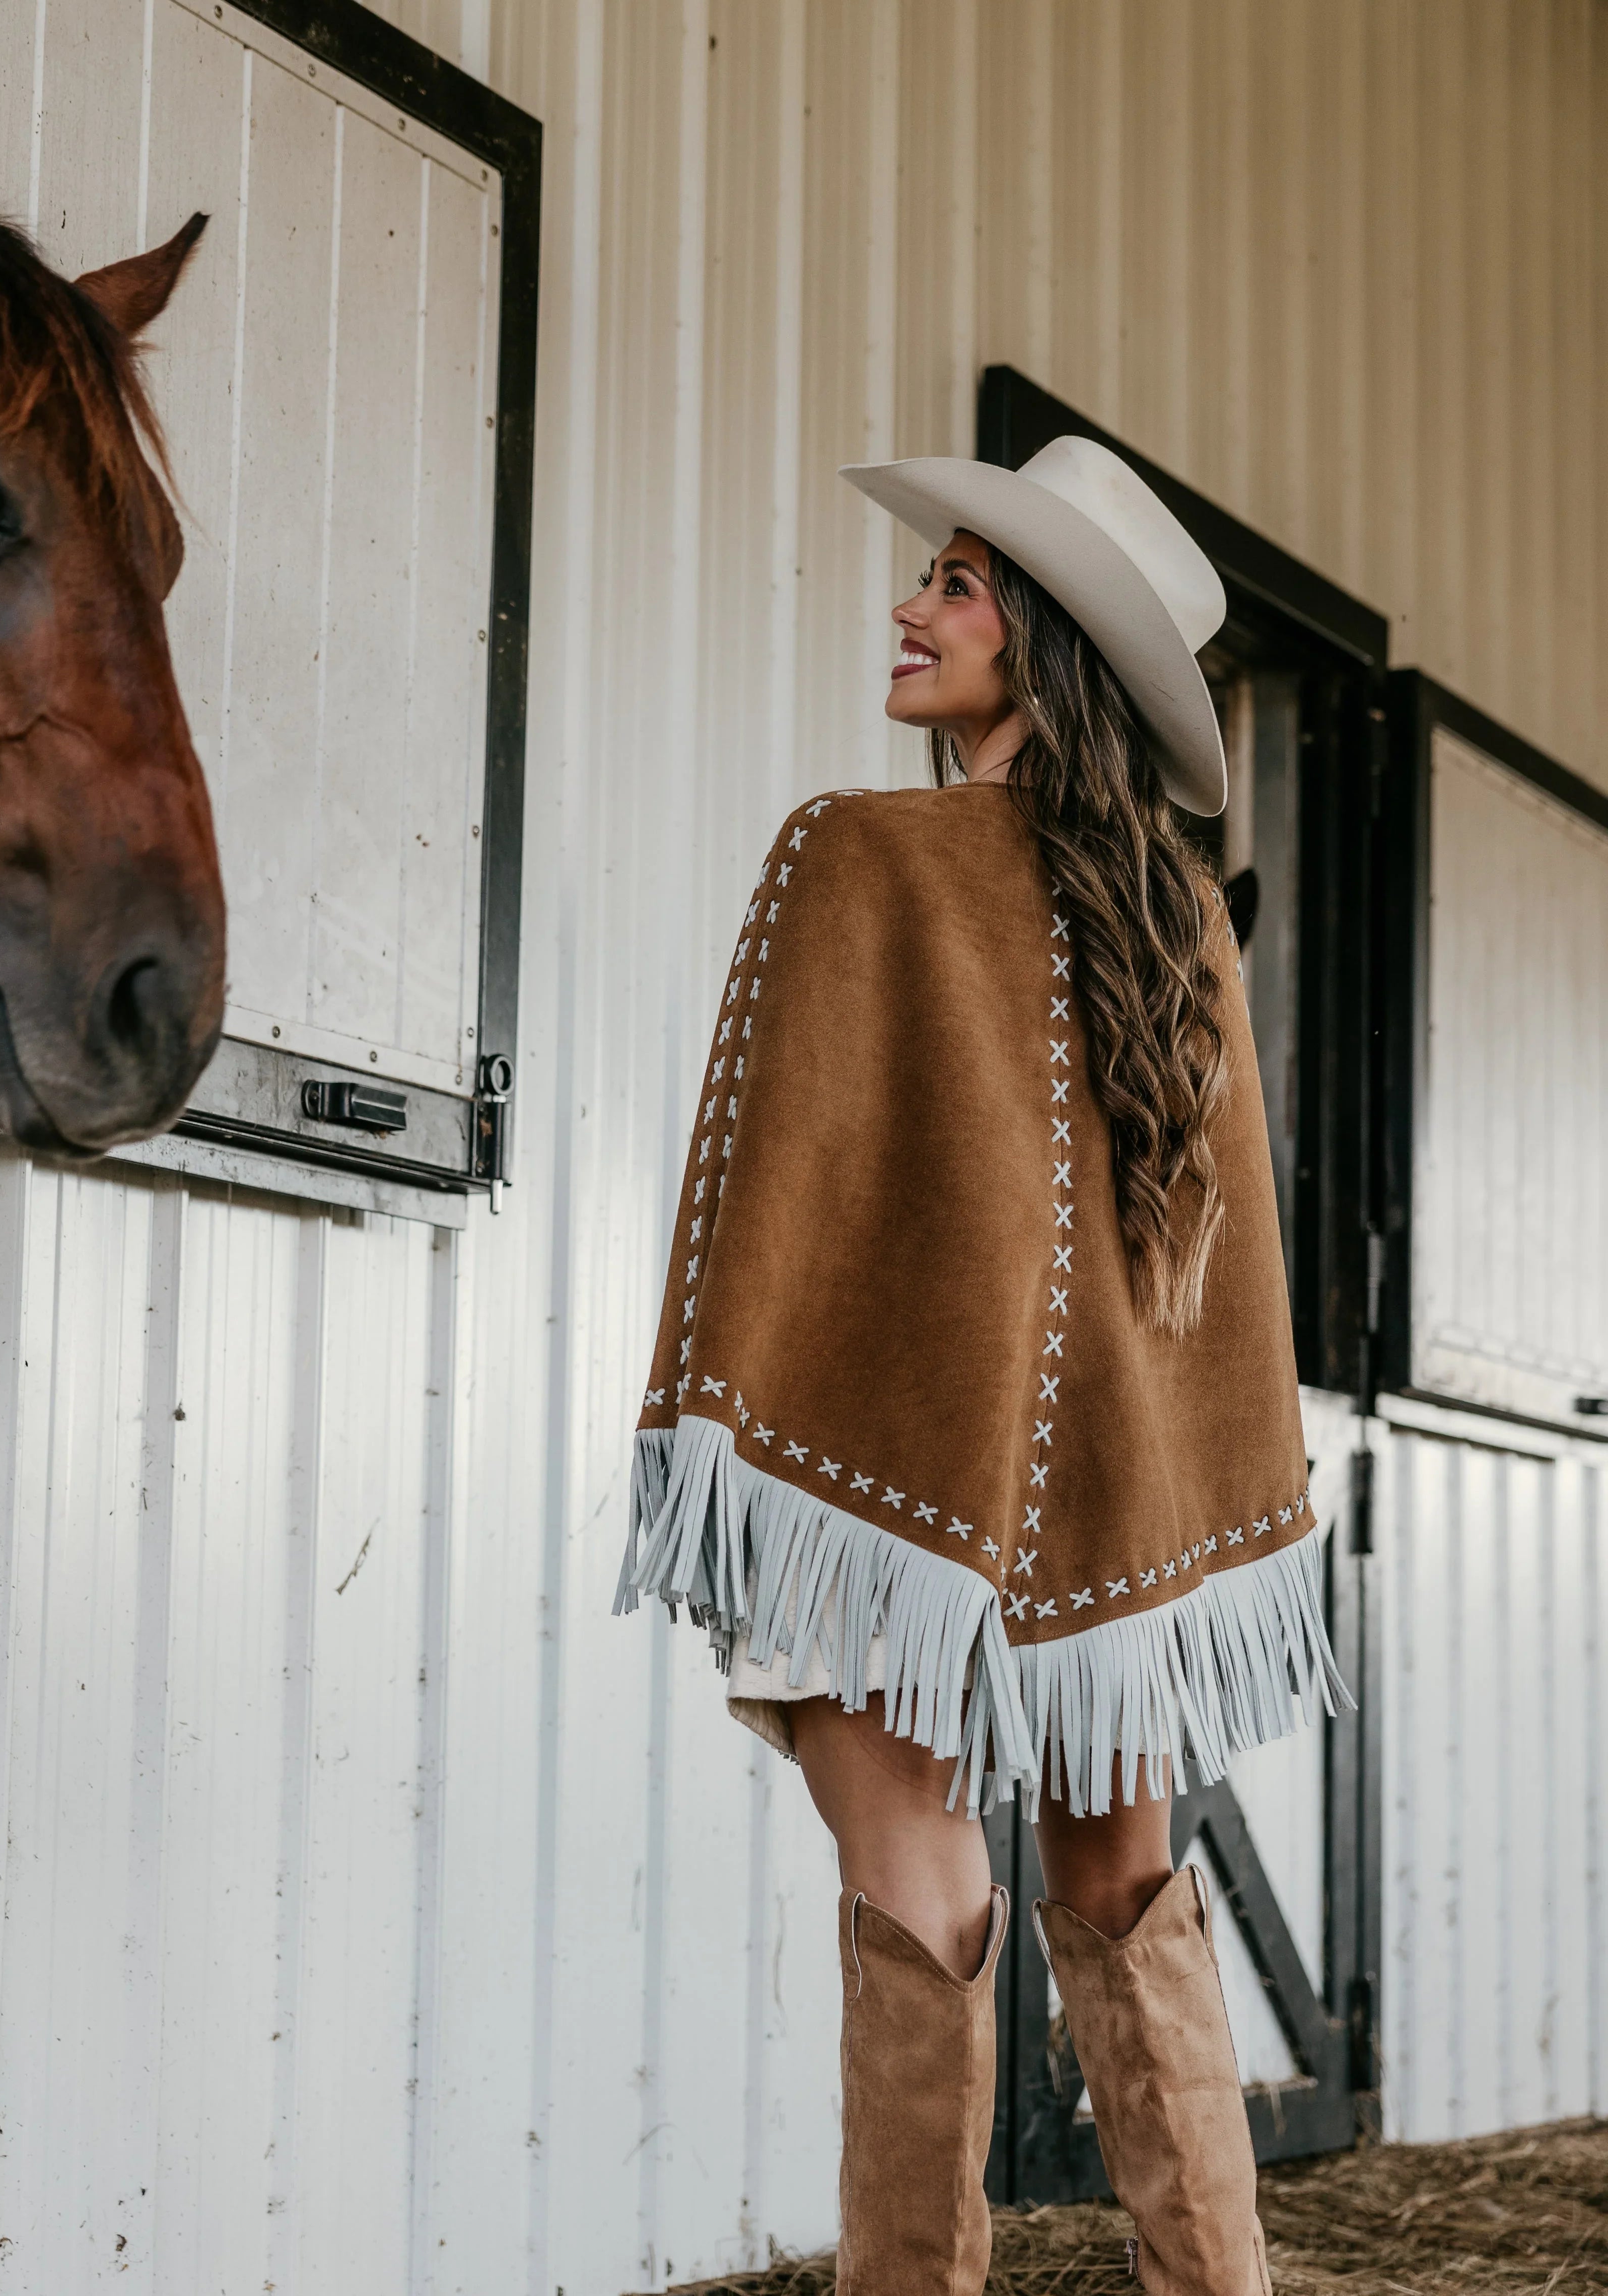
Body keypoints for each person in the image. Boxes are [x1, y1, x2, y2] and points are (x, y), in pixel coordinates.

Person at [617, 438, 1347, 2296]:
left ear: (1048, 644)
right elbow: (1194, 1292)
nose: (908, 606)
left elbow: (793, 1209)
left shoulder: (857, 858)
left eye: (954, 581)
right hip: (1112, 1514)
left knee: (920, 1896)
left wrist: (754, 1425)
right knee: (1126, 1883)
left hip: (890, 1485)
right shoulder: (1182, 937)